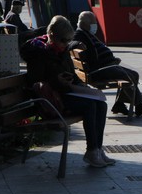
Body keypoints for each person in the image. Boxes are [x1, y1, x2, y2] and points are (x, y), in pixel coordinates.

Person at [20, 15, 114, 168]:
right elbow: (34, 81)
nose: (65, 44)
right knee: (89, 106)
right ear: (51, 36)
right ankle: (91, 151)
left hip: (63, 95)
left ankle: (96, 149)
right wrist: (58, 81)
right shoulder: (38, 52)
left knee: (100, 104)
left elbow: (71, 73)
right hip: (49, 102)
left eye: (68, 41)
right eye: (63, 40)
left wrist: (77, 84)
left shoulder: (61, 51)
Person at [73, 11, 142, 117]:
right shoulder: (80, 35)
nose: (95, 26)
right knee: (127, 75)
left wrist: (111, 60)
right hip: (98, 71)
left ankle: (119, 105)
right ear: (85, 24)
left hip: (105, 66)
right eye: (93, 23)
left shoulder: (85, 33)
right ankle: (139, 106)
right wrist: (110, 61)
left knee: (134, 74)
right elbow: (74, 45)